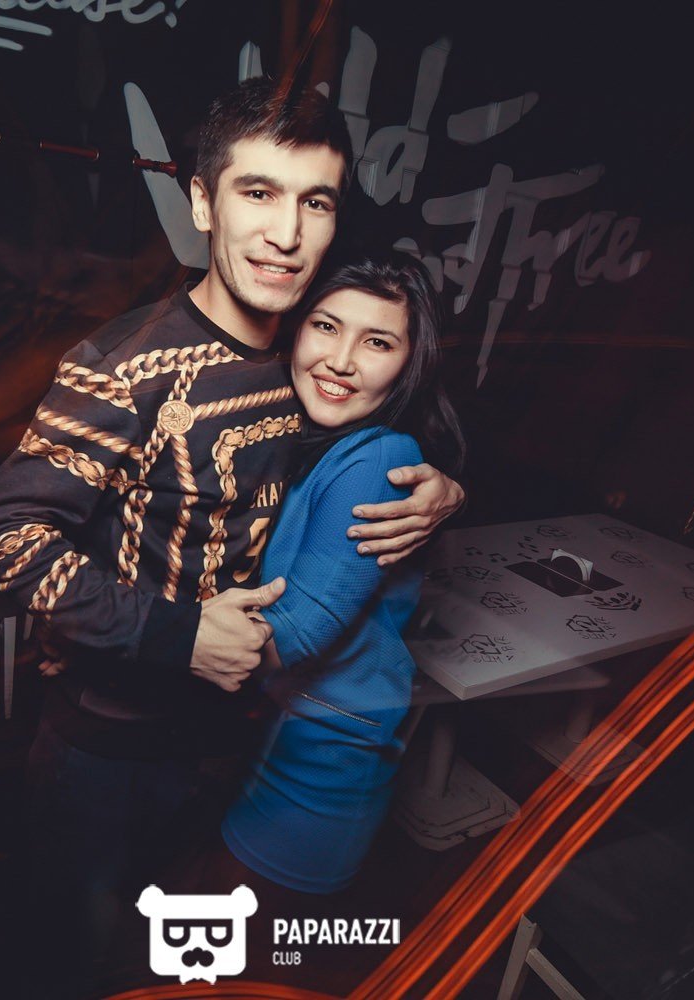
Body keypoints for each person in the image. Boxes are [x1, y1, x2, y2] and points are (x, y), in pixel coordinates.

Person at [0, 77, 464, 984]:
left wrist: (447, 489)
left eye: (316, 202)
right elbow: (4, 536)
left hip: (232, 744)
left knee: (190, 963)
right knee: (81, 965)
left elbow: (377, 428)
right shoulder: (125, 367)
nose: (286, 232)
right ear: (202, 202)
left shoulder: (308, 349)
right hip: (106, 749)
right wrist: (179, 635)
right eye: (258, 192)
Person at [218, 253, 464, 896]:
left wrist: (121, 639)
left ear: (410, 364)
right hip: (264, 738)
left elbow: (294, 637)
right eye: (326, 326)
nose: (341, 360)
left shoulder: (379, 458)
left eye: (377, 342)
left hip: (315, 765)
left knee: (252, 937)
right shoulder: (290, 430)